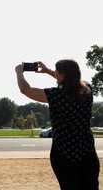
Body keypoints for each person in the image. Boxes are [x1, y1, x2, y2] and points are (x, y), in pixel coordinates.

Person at [15, 60, 100, 190]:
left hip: (63, 152)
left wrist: (19, 72)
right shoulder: (87, 91)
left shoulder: (56, 95)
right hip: (87, 150)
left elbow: (25, 90)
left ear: (62, 75)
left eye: (56, 72)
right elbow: (72, 81)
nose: (55, 74)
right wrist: (48, 71)